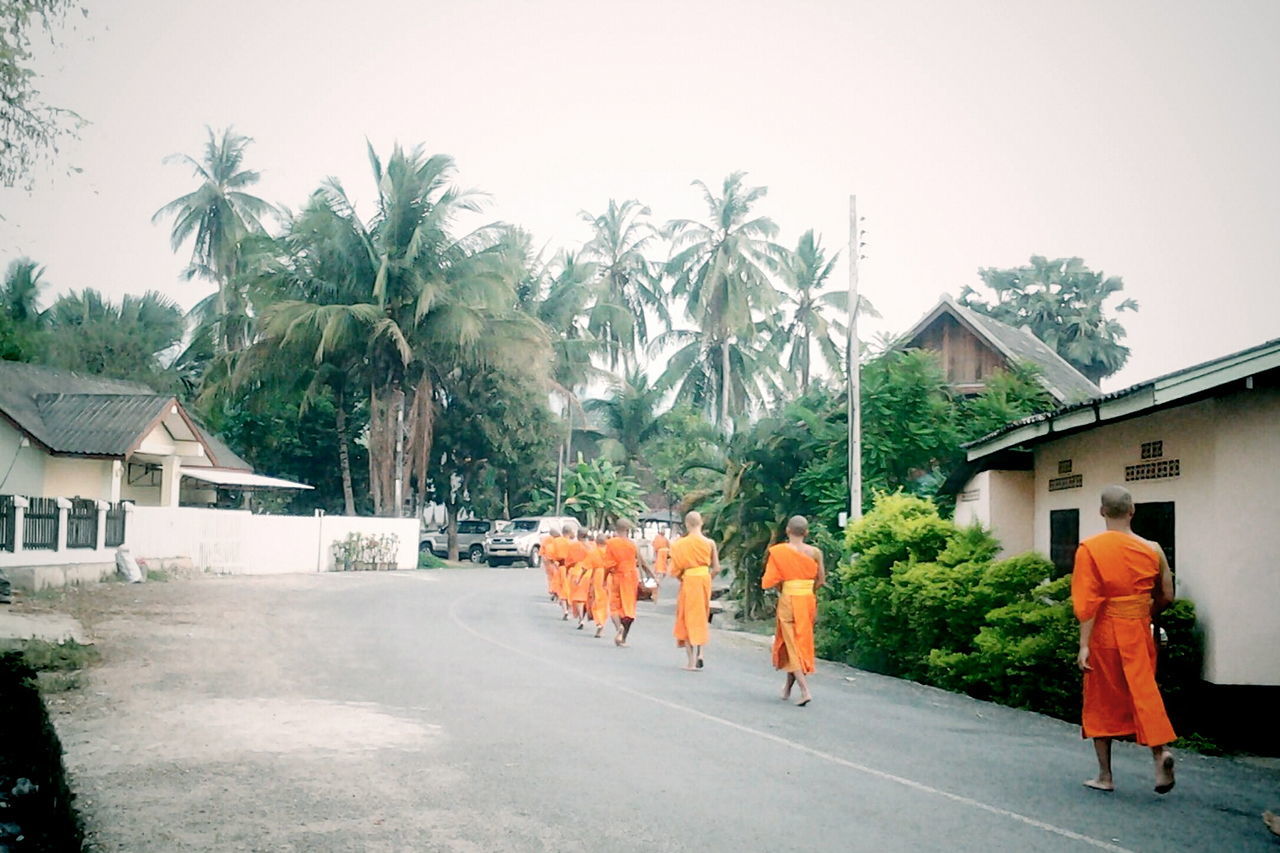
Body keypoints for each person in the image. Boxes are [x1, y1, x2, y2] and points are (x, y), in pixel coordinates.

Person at [1072, 485, 1177, 795]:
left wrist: (1084, 644)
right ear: (1132, 511)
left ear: (1102, 512)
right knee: (1145, 692)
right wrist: (1145, 612)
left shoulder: (1090, 548)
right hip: (1138, 629)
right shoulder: (1153, 548)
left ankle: (1105, 775)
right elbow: (1167, 595)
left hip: (1105, 632)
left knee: (1100, 698)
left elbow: (1088, 602)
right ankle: (1160, 755)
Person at [761, 515, 824, 706]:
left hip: (789, 600)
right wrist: (807, 592)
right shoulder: (815, 552)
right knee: (799, 643)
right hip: (807, 601)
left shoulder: (779, 552)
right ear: (807, 532)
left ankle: (804, 690)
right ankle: (788, 688)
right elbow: (820, 580)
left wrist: (787, 589)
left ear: (787, 530)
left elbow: (771, 581)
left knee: (792, 645)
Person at [668, 512, 720, 671]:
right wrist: (707, 578)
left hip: (689, 580)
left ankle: (691, 661)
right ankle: (701, 653)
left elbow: (676, 570)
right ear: (701, 523)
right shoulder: (710, 543)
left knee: (687, 617)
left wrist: (684, 579)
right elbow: (717, 568)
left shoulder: (679, 544)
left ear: (686, 524)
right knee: (702, 615)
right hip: (704, 580)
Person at [603, 519, 653, 647]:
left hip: (617, 576)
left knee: (614, 606)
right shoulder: (632, 545)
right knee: (629, 608)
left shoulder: (611, 543)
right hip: (631, 578)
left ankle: (619, 628)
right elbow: (643, 563)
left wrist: (604, 579)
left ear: (616, 528)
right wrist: (653, 577)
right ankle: (623, 638)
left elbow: (608, 565)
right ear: (628, 530)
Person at [564, 527, 592, 628]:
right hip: (591, 573)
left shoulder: (574, 546)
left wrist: (567, 571)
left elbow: (569, 562)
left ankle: (581, 619)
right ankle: (584, 616)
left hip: (578, 571)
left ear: (578, 535)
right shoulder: (592, 546)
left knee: (579, 598)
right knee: (587, 597)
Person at [586, 533, 611, 638]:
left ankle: (599, 622)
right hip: (610, 576)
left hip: (598, 575)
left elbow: (585, 566)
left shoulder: (593, 552)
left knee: (597, 600)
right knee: (606, 601)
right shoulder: (610, 552)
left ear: (596, 542)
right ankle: (603, 621)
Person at [650, 528, 671, 603]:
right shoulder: (658, 538)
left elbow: (669, 548)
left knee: (662, 573)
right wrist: (654, 557)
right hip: (660, 556)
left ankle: (658, 584)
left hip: (664, 556)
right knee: (659, 573)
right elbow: (654, 549)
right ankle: (656, 587)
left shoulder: (665, 539)